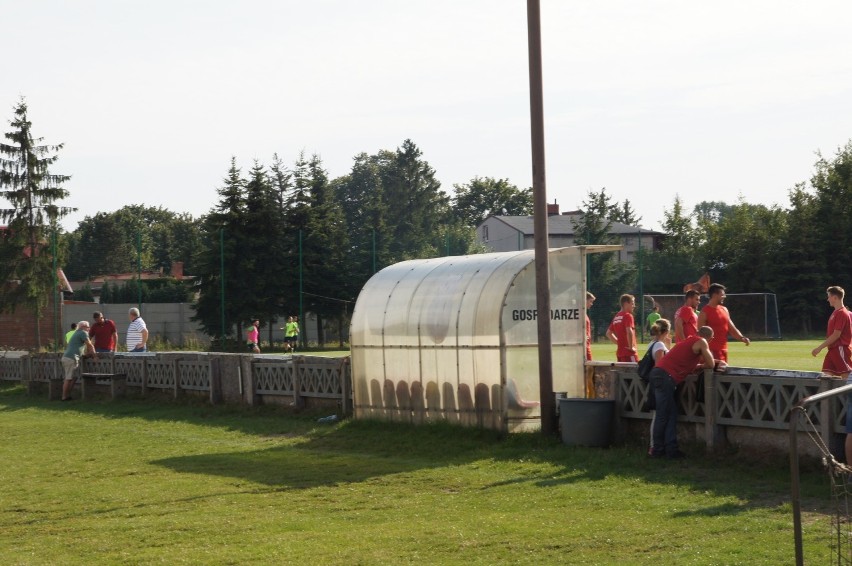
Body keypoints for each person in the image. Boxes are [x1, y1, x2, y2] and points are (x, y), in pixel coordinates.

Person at [648, 325, 715, 458]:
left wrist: (698, 365)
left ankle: (671, 449)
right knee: (663, 415)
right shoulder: (702, 341)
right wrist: (703, 365)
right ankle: (657, 450)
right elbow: (711, 364)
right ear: (711, 339)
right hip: (665, 377)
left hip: (658, 373)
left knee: (671, 414)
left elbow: (682, 360)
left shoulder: (687, 341)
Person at [810, 286, 852, 464]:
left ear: (835, 297)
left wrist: (819, 347)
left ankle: (844, 410)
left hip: (840, 349)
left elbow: (836, 335)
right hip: (833, 351)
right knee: (825, 378)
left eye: (828, 296)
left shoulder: (842, 313)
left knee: (847, 379)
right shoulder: (837, 313)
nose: (827, 299)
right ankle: (821, 412)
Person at [696, 283, 749, 362]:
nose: (725, 296)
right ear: (714, 295)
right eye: (722, 294)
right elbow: (700, 335)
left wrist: (742, 338)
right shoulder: (704, 312)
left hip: (723, 350)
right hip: (710, 351)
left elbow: (731, 328)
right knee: (712, 373)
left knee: (723, 373)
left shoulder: (724, 309)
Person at [645, 318, 672, 453]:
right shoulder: (659, 346)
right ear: (666, 331)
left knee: (657, 415)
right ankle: (654, 446)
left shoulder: (652, 343)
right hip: (659, 382)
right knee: (658, 415)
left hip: (653, 381)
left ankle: (655, 445)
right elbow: (660, 366)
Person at [61, 321, 97, 401]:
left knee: (74, 377)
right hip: (71, 358)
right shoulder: (83, 333)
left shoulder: (76, 333)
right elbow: (90, 345)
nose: (89, 329)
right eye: (88, 327)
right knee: (69, 378)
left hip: (67, 357)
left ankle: (68, 395)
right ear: (83, 327)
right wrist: (94, 356)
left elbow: (78, 347)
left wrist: (84, 355)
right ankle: (64, 397)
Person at [606, 294, 637, 362]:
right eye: (632, 303)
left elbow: (608, 333)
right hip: (629, 353)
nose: (634, 306)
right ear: (626, 303)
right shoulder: (628, 315)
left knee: (622, 372)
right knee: (634, 372)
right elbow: (629, 331)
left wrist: (619, 343)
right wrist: (631, 347)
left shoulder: (616, 316)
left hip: (620, 353)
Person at [584, 292, 596, 398]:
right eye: (590, 301)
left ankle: (589, 395)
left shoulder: (584, 314)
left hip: (587, 348)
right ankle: (589, 397)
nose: (591, 304)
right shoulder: (582, 315)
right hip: (585, 349)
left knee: (589, 373)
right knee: (589, 373)